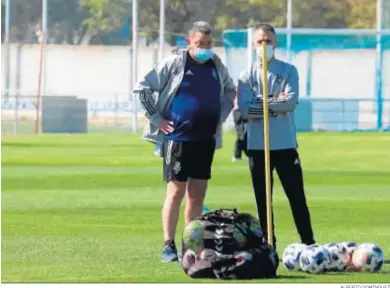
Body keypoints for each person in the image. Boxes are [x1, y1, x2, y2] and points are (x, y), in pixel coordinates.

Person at [134, 21, 235, 262]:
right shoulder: (174, 63)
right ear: (189, 42)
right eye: (200, 43)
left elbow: (230, 91)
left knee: (197, 196)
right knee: (176, 191)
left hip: (205, 139)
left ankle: (190, 245)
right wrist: (157, 118)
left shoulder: (216, 65)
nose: (205, 48)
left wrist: (220, 116)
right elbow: (143, 88)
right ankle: (168, 245)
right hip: (178, 138)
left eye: (209, 44)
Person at [237, 23, 315, 249]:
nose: (264, 45)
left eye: (268, 41)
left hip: (284, 144)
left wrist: (260, 103)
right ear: (253, 44)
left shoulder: (289, 70)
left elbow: (289, 103)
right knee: (263, 199)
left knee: (296, 196)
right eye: (260, 41)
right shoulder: (246, 75)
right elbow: (244, 108)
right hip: (257, 146)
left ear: (275, 43)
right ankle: (268, 244)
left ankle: (308, 242)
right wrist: (272, 103)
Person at [232, 95, 248, 162]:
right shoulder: (240, 88)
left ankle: (247, 154)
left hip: (241, 110)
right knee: (240, 136)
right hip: (238, 111)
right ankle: (237, 155)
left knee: (244, 136)